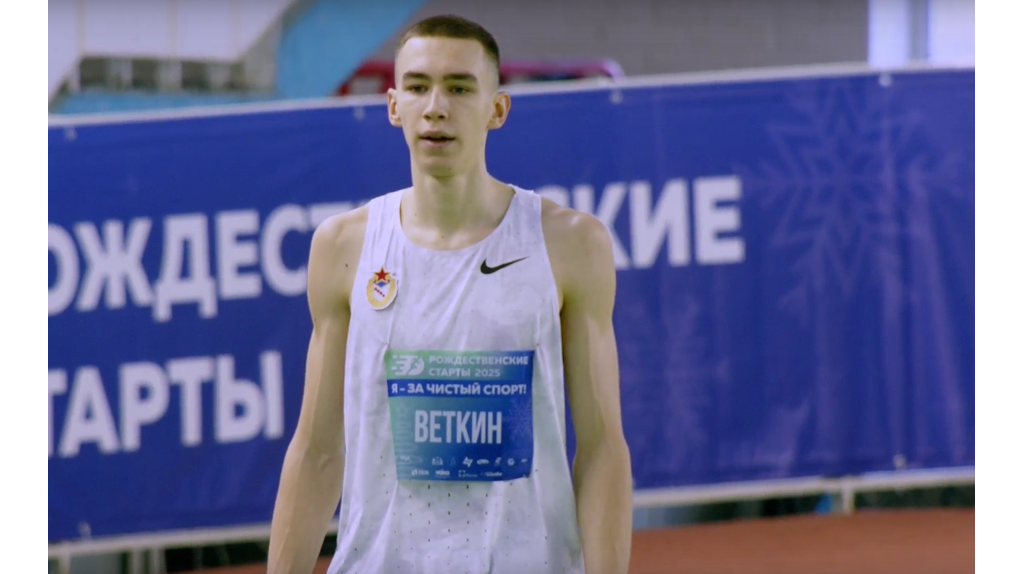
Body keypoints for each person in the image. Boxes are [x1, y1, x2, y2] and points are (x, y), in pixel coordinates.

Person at [267, 14, 633, 574]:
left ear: (497, 109)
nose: (436, 107)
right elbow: (317, 450)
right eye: (418, 87)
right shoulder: (343, 246)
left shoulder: (570, 243)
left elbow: (603, 448)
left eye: (460, 88)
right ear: (394, 106)